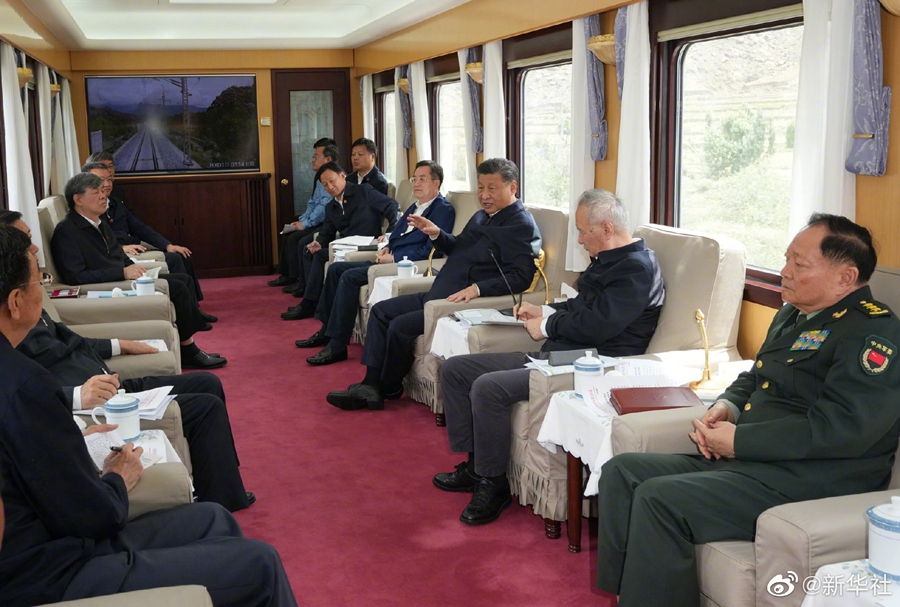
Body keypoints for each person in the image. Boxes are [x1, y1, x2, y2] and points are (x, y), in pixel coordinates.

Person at [596, 214, 900, 607]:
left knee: (659, 498)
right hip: (757, 463)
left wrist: (740, 442)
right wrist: (729, 406)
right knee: (622, 471)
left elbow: (842, 428)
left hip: (813, 479)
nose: (785, 271)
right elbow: (757, 375)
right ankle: (628, 594)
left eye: (799, 264)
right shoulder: (793, 314)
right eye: (786, 258)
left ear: (846, 277)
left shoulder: (872, 333)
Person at [0, 224, 298, 607]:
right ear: (15, 301)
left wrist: (68, 447)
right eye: (38, 280)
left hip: (52, 543)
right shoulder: (25, 386)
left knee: (214, 518)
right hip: (51, 570)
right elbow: (94, 516)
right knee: (261, 564)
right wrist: (117, 477)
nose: (43, 288)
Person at [433, 189, 665, 525]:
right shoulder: (610, 260)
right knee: (456, 369)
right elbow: (581, 306)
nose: (581, 240)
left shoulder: (636, 270)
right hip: (562, 353)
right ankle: (476, 467)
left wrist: (546, 326)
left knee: (488, 387)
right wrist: (544, 310)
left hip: (594, 364)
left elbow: (597, 326)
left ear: (606, 228)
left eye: (583, 231)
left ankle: (493, 484)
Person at [1, 209, 251, 511]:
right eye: (25, 239)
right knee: (205, 406)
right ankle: (222, 498)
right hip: (96, 400)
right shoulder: (13, 333)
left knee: (207, 382)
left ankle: (223, 480)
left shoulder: (29, 307)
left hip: (110, 381)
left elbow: (73, 339)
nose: (34, 247)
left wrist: (121, 345)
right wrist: (78, 395)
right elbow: (24, 396)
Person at [326, 158, 541, 412]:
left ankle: (384, 387)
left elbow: (521, 277)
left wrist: (478, 289)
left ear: (513, 187)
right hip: (440, 289)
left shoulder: (521, 225)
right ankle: (371, 383)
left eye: (491, 188)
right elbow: (457, 246)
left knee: (399, 326)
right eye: (481, 188)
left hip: (458, 300)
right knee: (381, 311)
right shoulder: (482, 216)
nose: (484, 195)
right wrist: (437, 233)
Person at [50, 173, 225, 369]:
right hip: (107, 286)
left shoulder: (98, 222)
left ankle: (189, 344)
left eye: (103, 191)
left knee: (183, 279)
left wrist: (131, 266)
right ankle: (189, 351)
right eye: (96, 192)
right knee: (177, 288)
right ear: (78, 199)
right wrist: (123, 273)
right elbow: (75, 276)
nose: (103, 196)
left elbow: (118, 254)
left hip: (120, 277)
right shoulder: (67, 231)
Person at [296, 160, 456, 365]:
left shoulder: (442, 209)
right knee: (336, 269)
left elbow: (432, 250)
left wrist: (395, 258)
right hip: (388, 258)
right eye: (414, 179)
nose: (416, 183)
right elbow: (397, 234)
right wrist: (387, 246)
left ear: (436, 183)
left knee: (348, 276)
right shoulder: (415, 206)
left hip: (405, 265)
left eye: (422, 179)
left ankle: (337, 345)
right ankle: (326, 331)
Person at [84, 153, 211, 311]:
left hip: (132, 244)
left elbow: (140, 227)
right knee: (175, 260)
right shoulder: (88, 209)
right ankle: (190, 310)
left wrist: (168, 245)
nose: (107, 184)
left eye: (109, 179)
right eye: (101, 180)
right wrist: (120, 247)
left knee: (180, 254)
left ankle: (194, 307)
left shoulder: (115, 202)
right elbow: (94, 240)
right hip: (120, 253)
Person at [281, 162, 399, 320]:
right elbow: (327, 233)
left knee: (323, 258)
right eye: (325, 184)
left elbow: (392, 206)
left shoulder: (363, 191)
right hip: (345, 247)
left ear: (343, 176)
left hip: (367, 245)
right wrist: (319, 243)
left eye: (332, 181)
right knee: (314, 253)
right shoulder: (331, 207)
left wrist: (391, 233)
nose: (330, 187)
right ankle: (309, 303)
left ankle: (311, 305)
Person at [268, 138, 339, 293]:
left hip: (326, 222)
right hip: (316, 220)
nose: (312, 160)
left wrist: (306, 224)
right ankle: (288, 275)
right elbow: (312, 203)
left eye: (316, 157)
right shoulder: (320, 178)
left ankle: (301, 282)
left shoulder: (334, 179)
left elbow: (323, 207)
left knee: (298, 240)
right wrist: (302, 220)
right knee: (288, 235)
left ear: (328, 159)